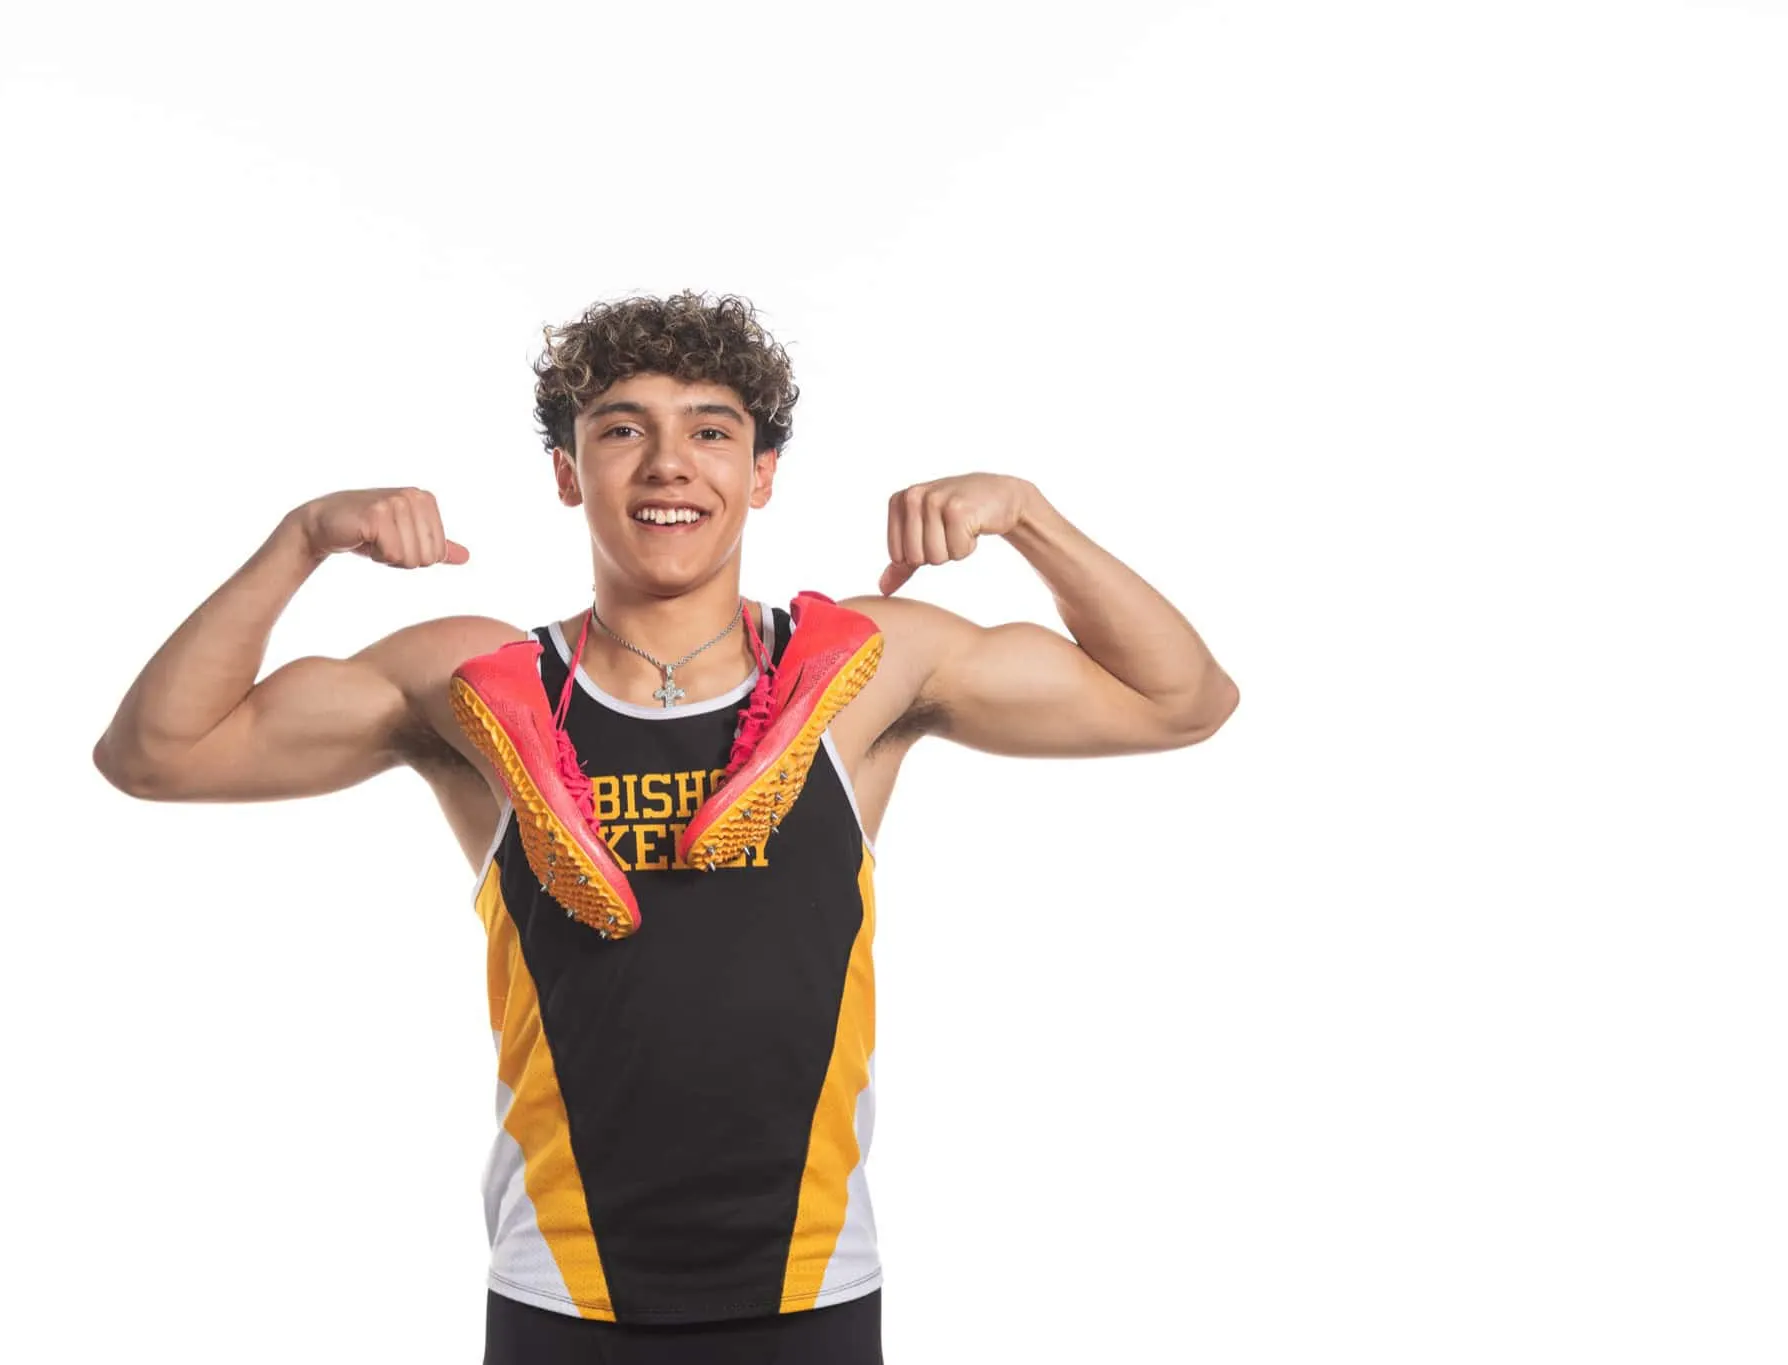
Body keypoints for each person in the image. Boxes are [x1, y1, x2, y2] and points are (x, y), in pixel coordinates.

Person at [92, 289, 1239, 1363]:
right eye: (621, 431)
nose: (668, 465)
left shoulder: (867, 673)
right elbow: (155, 754)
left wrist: (1029, 517)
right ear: (565, 470)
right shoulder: (474, 682)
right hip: (561, 1286)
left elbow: (1181, 700)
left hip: (811, 1282)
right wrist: (299, 541)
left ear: (763, 471)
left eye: (710, 431)